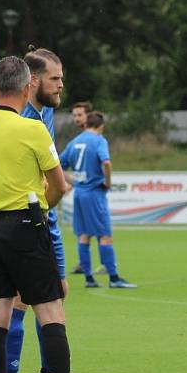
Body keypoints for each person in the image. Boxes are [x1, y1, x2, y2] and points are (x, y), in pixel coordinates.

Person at [0, 55, 103, 373]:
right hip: (25, 223)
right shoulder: (33, 129)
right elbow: (60, 184)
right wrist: (43, 206)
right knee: (51, 310)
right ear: (27, 88)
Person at [3, 46, 94, 373]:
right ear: (34, 80)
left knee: (54, 293)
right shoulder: (20, 117)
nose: (61, 85)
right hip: (25, 218)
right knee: (22, 299)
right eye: (55, 79)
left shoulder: (46, 114)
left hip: (45, 217)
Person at [60, 111, 136, 289]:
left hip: (79, 194)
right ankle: (114, 278)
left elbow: (58, 164)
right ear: (101, 126)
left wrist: (75, 182)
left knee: (84, 235)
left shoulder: (75, 141)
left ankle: (89, 279)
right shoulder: (100, 141)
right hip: (95, 193)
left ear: (86, 125)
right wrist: (107, 182)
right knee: (105, 235)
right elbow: (107, 163)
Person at [69, 102, 106, 276]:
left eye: (80, 115)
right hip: (87, 190)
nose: (77, 118)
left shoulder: (93, 138)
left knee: (95, 230)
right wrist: (73, 180)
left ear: (88, 116)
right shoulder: (82, 139)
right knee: (87, 231)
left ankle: (103, 264)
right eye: (74, 115)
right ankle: (87, 265)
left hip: (90, 190)